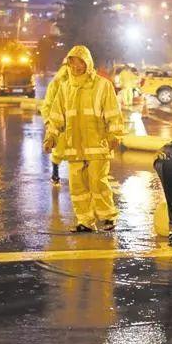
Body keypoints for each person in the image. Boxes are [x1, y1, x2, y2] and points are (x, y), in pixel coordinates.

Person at [43, 45, 124, 232]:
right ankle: (85, 221)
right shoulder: (64, 89)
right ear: (68, 65)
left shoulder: (103, 86)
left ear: (88, 63)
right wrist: (51, 137)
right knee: (78, 187)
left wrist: (114, 135)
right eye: (73, 64)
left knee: (98, 182)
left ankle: (107, 217)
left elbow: (113, 114)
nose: (76, 67)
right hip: (74, 147)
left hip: (97, 145)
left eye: (80, 63)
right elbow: (56, 116)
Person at [40, 65, 68, 185]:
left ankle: (56, 174)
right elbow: (48, 104)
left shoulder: (85, 82)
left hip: (76, 122)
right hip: (61, 122)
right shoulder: (58, 83)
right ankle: (55, 173)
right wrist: (49, 122)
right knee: (59, 148)